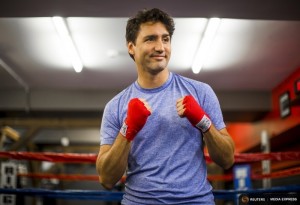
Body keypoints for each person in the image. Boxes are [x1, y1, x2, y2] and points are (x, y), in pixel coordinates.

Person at [96, 8, 235, 204]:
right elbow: (106, 179)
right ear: (131, 47)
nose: (161, 47)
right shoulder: (116, 106)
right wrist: (128, 129)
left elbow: (227, 159)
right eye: (150, 39)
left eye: (166, 39)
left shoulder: (200, 92)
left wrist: (204, 123)